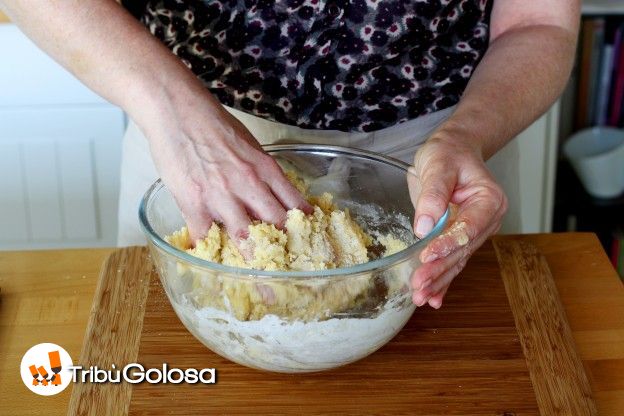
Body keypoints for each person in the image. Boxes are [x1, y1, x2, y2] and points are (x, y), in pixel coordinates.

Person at [1, 0, 580, 308]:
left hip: (444, 144)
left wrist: (465, 137)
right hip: (196, 141)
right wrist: (178, 120)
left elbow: (538, 21)